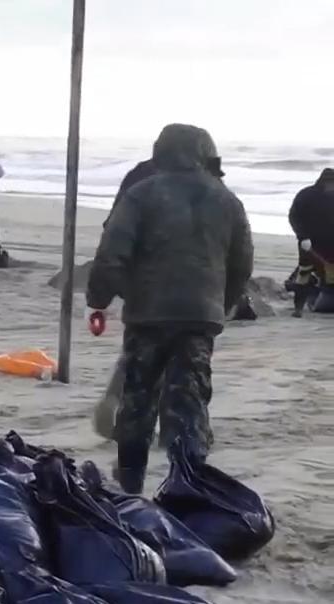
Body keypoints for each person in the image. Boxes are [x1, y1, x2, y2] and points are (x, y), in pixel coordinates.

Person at [85, 123, 253, 494]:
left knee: (138, 400)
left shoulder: (142, 194)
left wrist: (98, 299)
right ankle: (188, 486)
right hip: (200, 316)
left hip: (148, 313)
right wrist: (220, 306)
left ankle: (130, 487)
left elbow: (112, 253)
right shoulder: (228, 200)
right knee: (189, 401)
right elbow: (242, 265)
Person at [287, 168, 334, 317]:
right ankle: (298, 309)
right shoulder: (306, 195)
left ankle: (324, 296)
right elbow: (294, 216)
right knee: (304, 274)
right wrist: (302, 236)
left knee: (330, 276)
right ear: (323, 182)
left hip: (331, 245)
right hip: (309, 245)